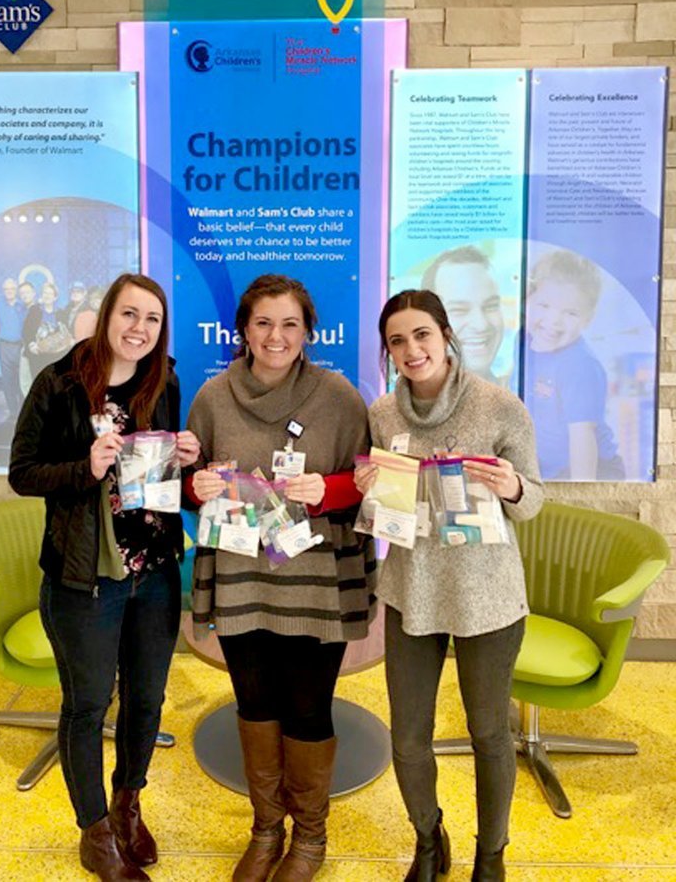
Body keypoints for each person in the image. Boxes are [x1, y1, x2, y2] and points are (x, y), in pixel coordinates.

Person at [9, 273, 200, 882]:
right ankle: (93, 830)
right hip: (84, 576)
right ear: (107, 315)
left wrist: (186, 455)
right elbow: (22, 472)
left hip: (157, 570)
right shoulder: (59, 383)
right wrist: (82, 468)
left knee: (147, 700)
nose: (139, 329)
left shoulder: (162, 380)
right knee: (88, 705)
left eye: (151, 319)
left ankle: (128, 806)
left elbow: (166, 474)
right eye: (129, 314)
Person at [187, 273, 376, 882]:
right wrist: (200, 486)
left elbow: (370, 487)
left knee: (308, 708)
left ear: (308, 332)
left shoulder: (340, 397)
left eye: (290, 323)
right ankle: (266, 829)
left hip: (317, 584)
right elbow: (193, 491)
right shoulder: (212, 397)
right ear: (242, 329)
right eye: (264, 322)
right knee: (255, 705)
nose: (276, 335)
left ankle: (311, 839)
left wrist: (329, 489)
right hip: (243, 581)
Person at [355, 289, 543, 882]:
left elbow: (534, 501)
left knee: (489, 732)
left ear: (445, 335)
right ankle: (429, 839)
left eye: (421, 335)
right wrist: (370, 486)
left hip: (487, 597)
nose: (412, 350)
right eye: (397, 341)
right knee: (409, 738)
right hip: (411, 591)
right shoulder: (383, 414)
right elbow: (390, 508)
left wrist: (512, 485)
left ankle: (492, 856)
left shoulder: (499, 407)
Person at [524, 250, 624, 480]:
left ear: (587, 318)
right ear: (527, 300)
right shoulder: (524, 341)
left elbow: (583, 437)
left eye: (570, 312)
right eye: (544, 305)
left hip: (592, 467)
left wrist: (581, 489)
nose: (553, 321)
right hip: (548, 466)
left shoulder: (580, 366)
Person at [421, 246, 505, 385]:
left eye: (490, 306)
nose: (481, 325)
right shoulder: (393, 403)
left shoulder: (515, 401)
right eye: (459, 310)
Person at [23, 281, 73, 381]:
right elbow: (26, 331)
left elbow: (66, 332)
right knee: (40, 384)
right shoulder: (34, 310)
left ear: (55, 297)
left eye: (50, 293)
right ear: (41, 295)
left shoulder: (61, 313)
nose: (47, 296)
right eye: (45, 293)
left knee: (56, 384)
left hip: (57, 356)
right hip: (38, 355)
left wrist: (70, 340)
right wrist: (31, 344)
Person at [0, 278, 25, 420]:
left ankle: (22, 411)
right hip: (4, 346)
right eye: (6, 289)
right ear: (3, 291)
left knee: (21, 380)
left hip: (20, 346)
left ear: (16, 290)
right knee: (8, 381)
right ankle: (13, 411)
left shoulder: (23, 305)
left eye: (12, 289)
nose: (9, 292)